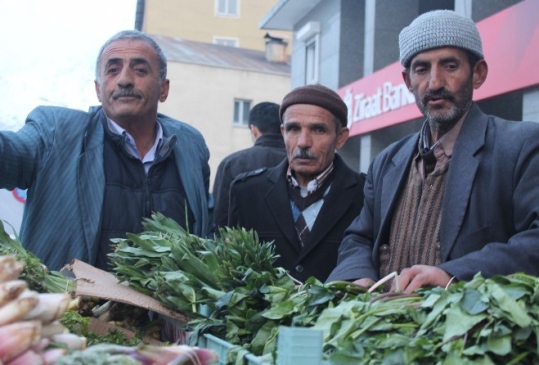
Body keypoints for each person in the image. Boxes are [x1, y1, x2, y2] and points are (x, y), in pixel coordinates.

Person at [327, 10, 539, 292]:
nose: (434, 83)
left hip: (465, 333)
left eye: (450, 66)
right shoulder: (387, 161)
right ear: (408, 81)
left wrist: (453, 275)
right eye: (421, 69)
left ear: (478, 74)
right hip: (384, 329)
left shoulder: (523, 146)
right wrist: (358, 277)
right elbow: (359, 237)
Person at [0, 30, 213, 270]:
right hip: (72, 306)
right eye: (113, 70)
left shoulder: (190, 145)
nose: (124, 80)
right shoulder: (56, 132)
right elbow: (11, 155)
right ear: (98, 89)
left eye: (140, 70)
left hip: (167, 308)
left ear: (163, 89)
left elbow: (205, 229)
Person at [228, 84, 365, 283]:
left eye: (318, 129)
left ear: (341, 138)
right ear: (283, 132)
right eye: (293, 129)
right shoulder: (247, 192)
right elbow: (230, 270)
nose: (303, 142)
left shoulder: (365, 195)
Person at [212, 102, 286, 228]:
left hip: (243, 246)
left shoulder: (232, 163)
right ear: (283, 129)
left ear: (253, 129)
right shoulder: (298, 162)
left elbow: (220, 216)